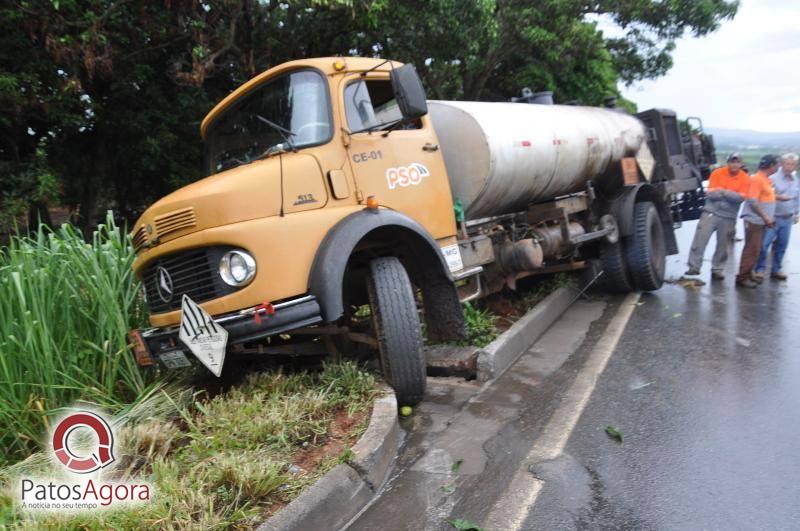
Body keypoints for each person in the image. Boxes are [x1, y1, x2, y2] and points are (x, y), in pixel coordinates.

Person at [685, 152, 751, 280]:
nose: (734, 165)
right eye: (732, 161)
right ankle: (694, 267)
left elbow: (740, 199)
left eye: (737, 162)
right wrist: (730, 194)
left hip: (728, 217)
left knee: (723, 245)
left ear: (741, 164)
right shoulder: (717, 173)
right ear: (728, 163)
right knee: (700, 241)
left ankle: (717, 269)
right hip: (710, 213)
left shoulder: (745, 178)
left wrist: (722, 191)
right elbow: (711, 194)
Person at [754, 153, 799, 281]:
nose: (789, 167)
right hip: (773, 217)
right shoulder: (772, 178)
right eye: (787, 164)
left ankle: (776, 269)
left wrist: (796, 213)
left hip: (788, 218)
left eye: (792, 164)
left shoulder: (795, 180)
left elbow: (797, 198)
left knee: (782, 245)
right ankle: (760, 269)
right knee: (764, 244)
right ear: (782, 164)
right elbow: (766, 195)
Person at [736, 154, 778, 288]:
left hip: (760, 221)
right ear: (771, 166)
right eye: (776, 165)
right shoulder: (757, 179)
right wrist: (766, 217)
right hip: (754, 221)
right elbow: (753, 201)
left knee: (756, 249)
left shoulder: (766, 180)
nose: (777, 167)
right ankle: (742, 277)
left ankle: (748, 273)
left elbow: (765, 197)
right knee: (751, 249)